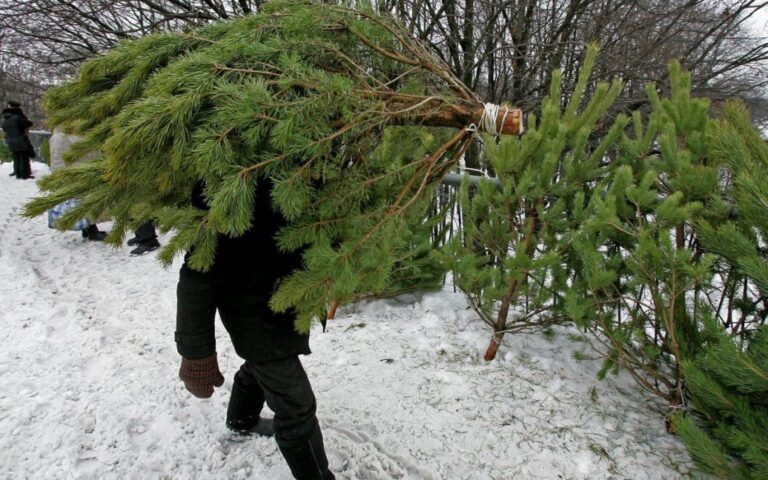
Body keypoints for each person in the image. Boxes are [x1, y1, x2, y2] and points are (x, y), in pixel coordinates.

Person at [175, 180, 335, 480]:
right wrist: (195, 353)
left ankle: (241, 419)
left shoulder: (297, 168)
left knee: (261, 364)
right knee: (296, 405)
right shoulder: (229, 189)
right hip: (250, 310)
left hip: (284, 300)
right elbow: (196, 279)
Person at [49, 128, 108, 241]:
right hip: (74, 174)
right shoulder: (59, 137)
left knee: (88, 201)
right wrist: (58, 177)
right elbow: (57, 159)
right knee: (83, 202)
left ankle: (88, 228)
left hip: (89, 171)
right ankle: (91, 231)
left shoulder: (82, 132)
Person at [2, 100, 35, 179]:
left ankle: (17, 172)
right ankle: (24, 174)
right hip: (20, 139)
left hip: (11, 140)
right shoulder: (18, 117)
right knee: (23, 157)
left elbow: (4, 128)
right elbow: (28, 123)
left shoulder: (7, 118)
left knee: (16, 157)